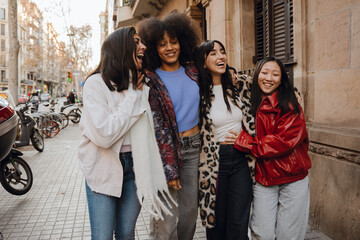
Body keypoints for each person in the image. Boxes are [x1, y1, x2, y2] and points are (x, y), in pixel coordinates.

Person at [77, 27, 174, 240]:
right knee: (102, 237)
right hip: (103, 167)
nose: (143, 47)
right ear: (121, 48)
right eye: (137, 42)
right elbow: (105, 134)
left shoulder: (139, 84)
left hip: (135, 167)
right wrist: (132, 97)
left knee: (126, 234)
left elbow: (145, 128)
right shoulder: (95, 84)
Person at [137, 12, 200, 240]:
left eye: (173, 42)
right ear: (155, 48)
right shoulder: (150, 79)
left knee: (189, 214)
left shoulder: (194, 72)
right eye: (162, 44)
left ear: (182, 42)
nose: (169, 48)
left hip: (194, 148)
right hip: (164, 151)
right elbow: (158, 127)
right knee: (166, 220)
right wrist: (169, 166)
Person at [234, 56, 312, 240]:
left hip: (292, 178)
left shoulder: (291, 104)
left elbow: (282, 142)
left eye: (275, 74)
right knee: (262, 233)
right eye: (264, 72)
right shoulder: (247, 102)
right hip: (264, 178)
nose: (269, 78)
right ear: (256, 75)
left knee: (288, 235)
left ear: (282, 78)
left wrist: (245, 142)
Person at [195, 40, 254, 240]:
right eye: (213, 53)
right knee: (215, 224)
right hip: (214, 163)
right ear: (203, 62)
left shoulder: (240, 85)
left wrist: (295, 95)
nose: (220, 56)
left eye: (222, 52)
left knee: (239, 224)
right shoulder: (198, 92)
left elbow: (269, 86)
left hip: (241, 159)